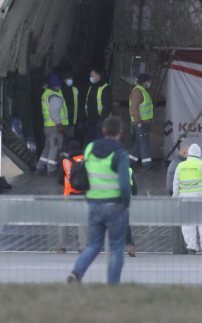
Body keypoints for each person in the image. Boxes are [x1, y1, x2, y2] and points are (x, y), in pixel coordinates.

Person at [67, 116, 131, 284]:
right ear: (120, 132)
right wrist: (126, 203)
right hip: (115, 205)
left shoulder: (89, 148)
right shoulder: (120, 152)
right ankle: (112, 285)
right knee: (117, 248)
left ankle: (76, 273)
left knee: (94, 245)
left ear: (103, 131)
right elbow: (125, 184)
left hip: (94, 204)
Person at [172, 144, 202, 255]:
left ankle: (191, 248)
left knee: (187, 224)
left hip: (185, 199)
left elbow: (175, 186)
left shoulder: (180, 166)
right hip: (200, 198)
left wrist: (175, 201)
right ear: (199, 154)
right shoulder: (201, 164)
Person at [55, 141, 88, 254]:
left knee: (64, 221)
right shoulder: (86, 161)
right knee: (82, 222)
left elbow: (59, 180)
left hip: (69, 195)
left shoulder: (65, 162)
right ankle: (83, 247)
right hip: (84, 195)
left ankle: (62, 246)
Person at [37, 74, 68, 177]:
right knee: (55, 147)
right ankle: (52, 169)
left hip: (47, 125)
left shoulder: (46, 93)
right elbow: (54, 112)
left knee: (48, 146)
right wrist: (59, 125)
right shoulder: (55, 96)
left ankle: (40, 166)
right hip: (55, 126)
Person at [128, 73, 154, 171]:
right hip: (141, 123)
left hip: (144, 122)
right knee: (144, 143)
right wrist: (138, 121)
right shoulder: (138, 91)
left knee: (139, 144)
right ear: (144, 82)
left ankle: (128, 163)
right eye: (148, 81)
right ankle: (148, 165)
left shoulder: (142, 91)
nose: (149, 83)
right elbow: (134, 107)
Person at [167, 146, 189, 254]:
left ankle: (179, 247)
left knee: (177, 224)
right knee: (177, 226)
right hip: (177, 198)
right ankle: (179, 248)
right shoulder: (180, 165)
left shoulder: (175, 162)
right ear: (185, 154)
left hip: (175, 197)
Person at [84, 68, 113, 146]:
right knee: (90, 143)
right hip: (91, 120)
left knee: (101, 142)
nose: (90, 77)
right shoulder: (91, 87)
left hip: (101, 121)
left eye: (92, 76)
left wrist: (102, 120)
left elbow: (107, 106)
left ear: (98, 76)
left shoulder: (105, 88)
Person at [60, 71, 79, 145]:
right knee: (62, 141)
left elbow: (78, 104)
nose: (71, 80)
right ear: (64, 80)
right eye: (69, 78)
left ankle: (67, 155)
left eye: (71, 78)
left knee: (70, 141)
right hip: (62, 122)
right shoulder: (60, 90)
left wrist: (80, 119)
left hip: (72, 121)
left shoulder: (74, 89)